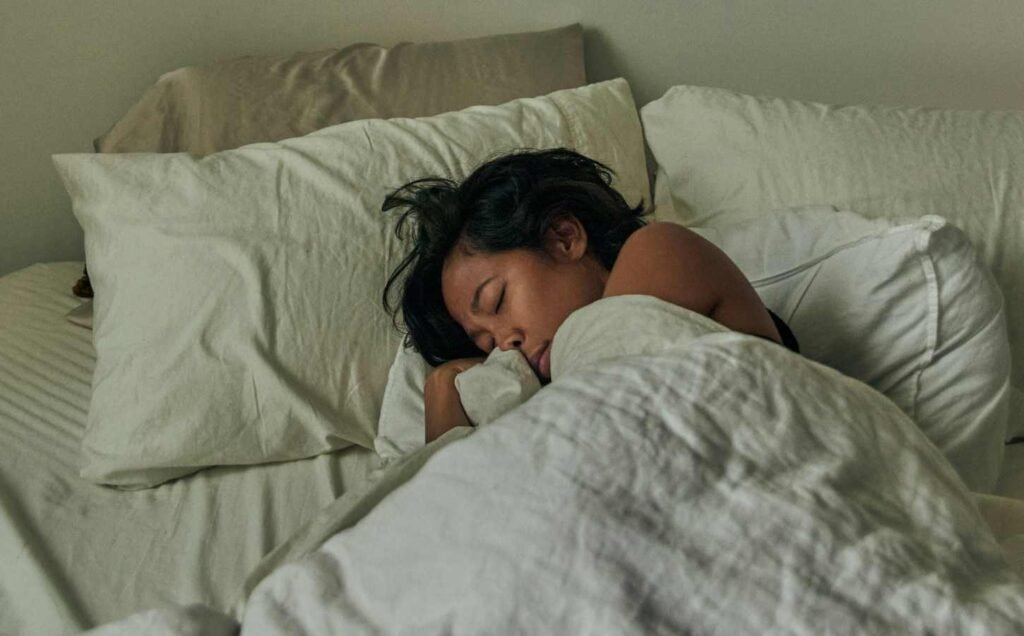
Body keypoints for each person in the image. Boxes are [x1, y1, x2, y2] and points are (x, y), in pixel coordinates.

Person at [382, 148, 799, 443]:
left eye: (496, 301)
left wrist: (449, 423)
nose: (504, 343)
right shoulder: (550, 392)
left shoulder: (659, 251)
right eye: (486, 344)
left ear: (564, 239)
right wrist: (442, 393)